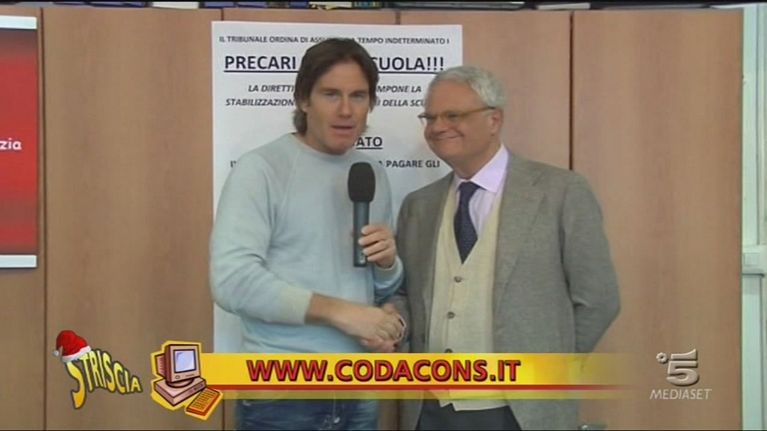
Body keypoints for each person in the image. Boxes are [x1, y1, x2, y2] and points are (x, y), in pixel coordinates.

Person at [392, 65, 620, 430]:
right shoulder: (418, 206)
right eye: (430, 117)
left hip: (522, 412)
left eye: (453, 115)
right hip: (429, 409)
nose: (437, 127)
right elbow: (407, 294)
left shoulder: (560, 192)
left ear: (494, 119)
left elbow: (598, 298)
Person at [210, 38, 405, 430]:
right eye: (331, 94)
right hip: (283, 395)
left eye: (358, 96)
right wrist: (342, 314)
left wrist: (388, 269)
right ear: (303, 100)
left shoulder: (371, 175)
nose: (346, 110)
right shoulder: (261, 169)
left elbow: (378, 291)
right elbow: (231, 282)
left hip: (358, 390)